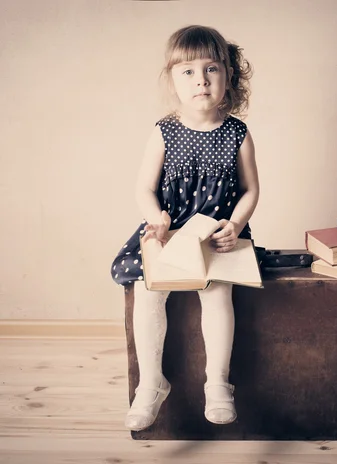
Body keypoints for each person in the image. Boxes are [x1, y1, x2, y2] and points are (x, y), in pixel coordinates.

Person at [109, 25, 259, 431]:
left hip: (216, 237)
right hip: (168, 233)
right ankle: (151, 383)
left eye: (212, 69)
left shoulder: (237, 134)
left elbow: (250, 190)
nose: (201, 80)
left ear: (228, 75)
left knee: (217, 293)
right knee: (146, 290)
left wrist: (237, 223)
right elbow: (143, 187)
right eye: (188, 72)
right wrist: (156, 216)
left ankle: (217, 382)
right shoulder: (165, 131)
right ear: (172, 80)